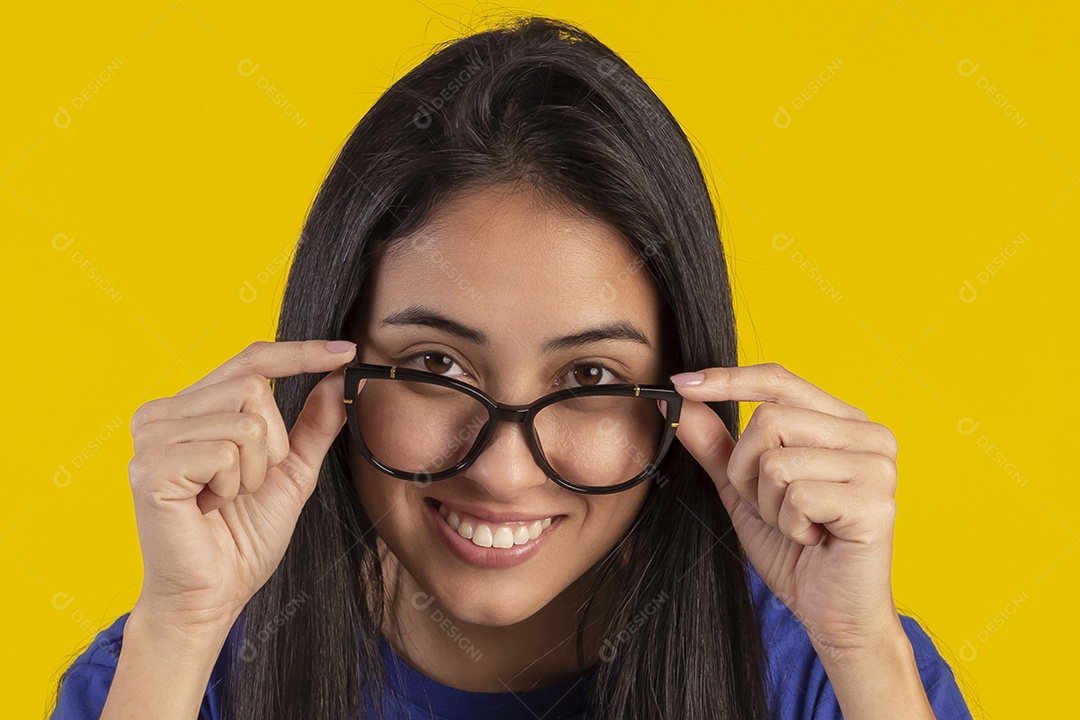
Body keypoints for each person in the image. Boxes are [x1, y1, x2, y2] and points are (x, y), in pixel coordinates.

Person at [49, 15, 974, 720]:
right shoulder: (174, 667)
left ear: (684, 400)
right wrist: (177, 631)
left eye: (590, 381)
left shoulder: (827, 668)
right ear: (330, 371)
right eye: (435, 363)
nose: (501, 469)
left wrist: (860, 647)